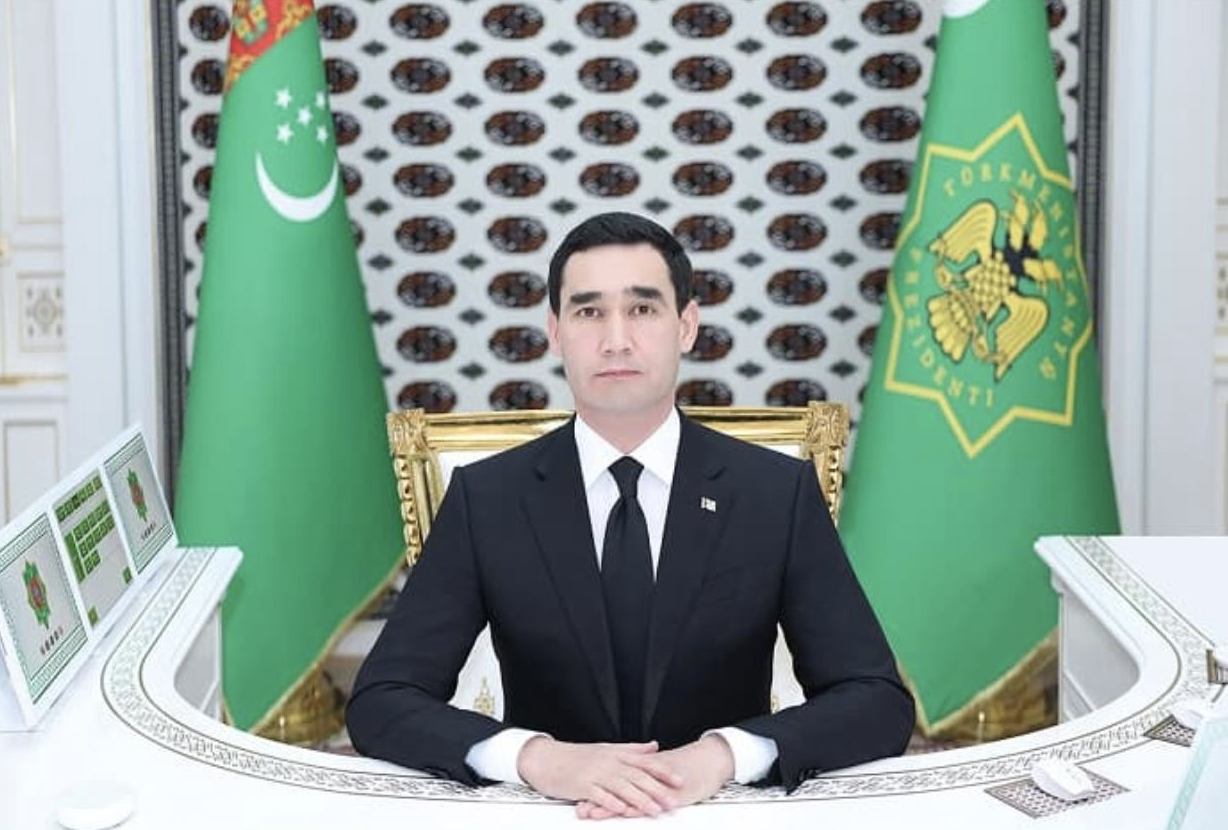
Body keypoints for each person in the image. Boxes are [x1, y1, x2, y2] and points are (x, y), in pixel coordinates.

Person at [346, 212, 914, 819]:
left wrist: (723, 755)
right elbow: (383, 700)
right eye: (589, 312)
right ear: (556, 332)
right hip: (551, 812)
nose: (616, 339)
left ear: (686, 326)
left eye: (642, 309)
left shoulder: (774, 493)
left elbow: (876, 700)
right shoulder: (487, 498)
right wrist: (537, 757)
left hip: (722, 810)